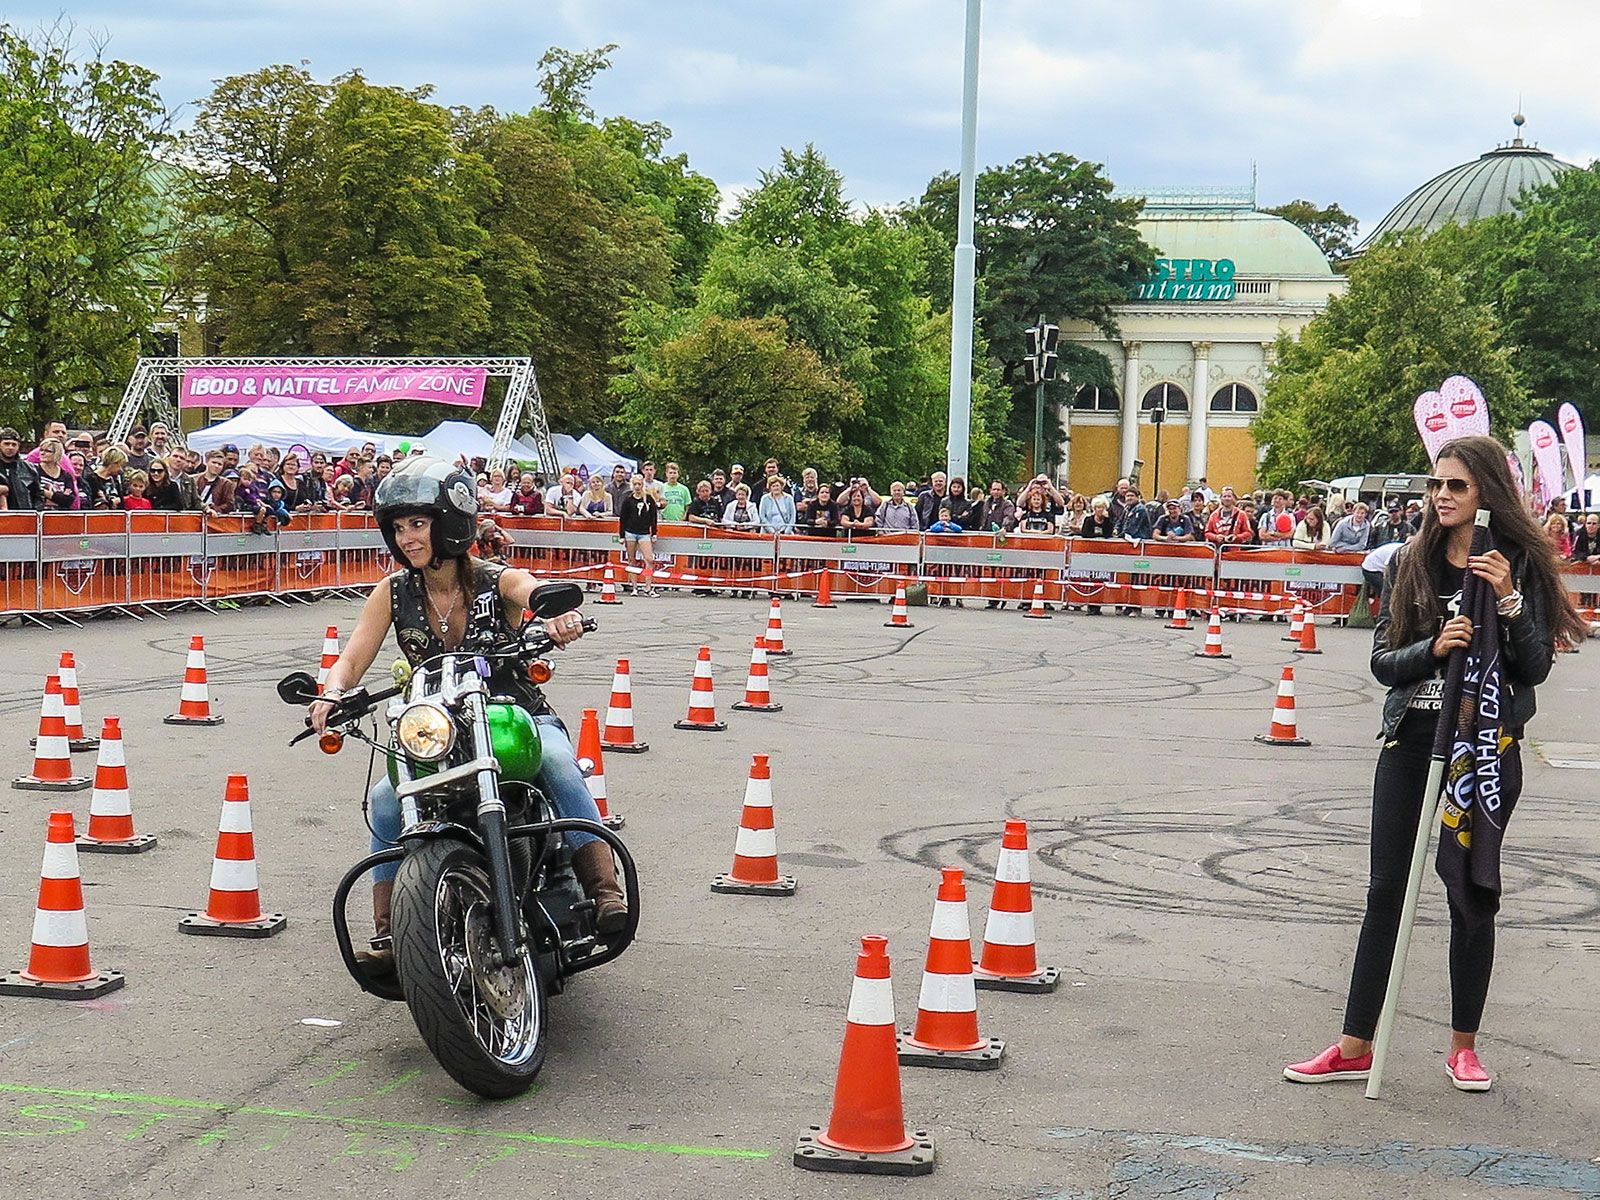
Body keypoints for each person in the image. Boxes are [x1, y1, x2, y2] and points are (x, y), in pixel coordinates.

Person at [1284, 435, 1587, 1092]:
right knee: (1385, 893)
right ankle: (1355, 1043)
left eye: (1456, 486)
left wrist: (1507, 602)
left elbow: (1534, 667)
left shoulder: (1516, 564)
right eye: (1436, 485)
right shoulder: (1409, 563)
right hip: (1413, 742)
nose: (1442, 496)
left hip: (1480, 748)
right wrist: (1435, 648)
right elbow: (1383, 661)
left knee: (1471, 892)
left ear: (1485, 494)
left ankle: (1464, 1047)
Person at [309, 457, 627, 976]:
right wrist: (332, 693)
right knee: (387, 798)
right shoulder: (391, 593)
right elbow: (352, 656)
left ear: (451, 521)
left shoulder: (491, 578)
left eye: (417, 523)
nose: (406, 537)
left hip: (513, 716)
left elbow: (529, 589)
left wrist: (556, 613)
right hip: (436, 728)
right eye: (397, 527)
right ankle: (393, 931)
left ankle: (603, 890)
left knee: (557, 762)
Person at [617, 473, 660, 596]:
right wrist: (621, 535)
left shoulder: (649, 499)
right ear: (632, 485)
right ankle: (634, 587)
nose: (637, 487)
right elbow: (623, 518)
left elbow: (653, 517)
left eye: (639, 484)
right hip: (630, 532)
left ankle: (648, 587)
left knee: (649, 559)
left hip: (644, 533)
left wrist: (654, 533)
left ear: (643, 485)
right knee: (632, 560)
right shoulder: (628, 500)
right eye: (635, 484)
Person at [33, 439, 81, 510]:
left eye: (48, 451)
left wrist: (46, 493)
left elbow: (69, 500)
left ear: (57, 454)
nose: (42, 453)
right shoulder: (33, 470)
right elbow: (33, 493)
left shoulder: (66, 475)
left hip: (60, 516)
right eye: (41, 450)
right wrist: (60, 497)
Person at [0, 427, 41, 510]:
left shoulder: (30, 469)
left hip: (23, 516)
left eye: (14, 444)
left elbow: (38, 496)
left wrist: (34, 514)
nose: (10, 447)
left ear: (18, 446)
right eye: (6, 444)